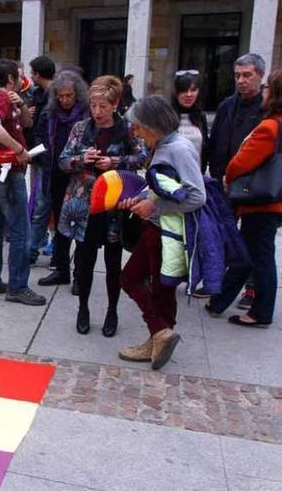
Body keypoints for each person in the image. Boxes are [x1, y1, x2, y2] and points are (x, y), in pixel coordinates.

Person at [118, 96, 206, 369]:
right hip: (157, 228)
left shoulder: (177, 148)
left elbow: (197, 196)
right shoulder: (165, 145)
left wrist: (153, 207)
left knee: (142, 282)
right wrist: (141, 198)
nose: (135, 132)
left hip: (167, 231)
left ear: (153, 127)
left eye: (139, 127)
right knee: (156, 287)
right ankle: (158, 336)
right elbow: (164, 186)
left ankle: (159, 333)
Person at [58, 75, 147, 335]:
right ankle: (83, 308)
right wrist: (81, 159)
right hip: (85, 205)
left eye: (103, 107)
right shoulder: (80, 128)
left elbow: (142, 156)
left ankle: (112, 311)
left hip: (114, 207)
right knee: (84, 261)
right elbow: (63, 161)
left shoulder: (128, 128)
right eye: (93, 106)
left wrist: (115, 162)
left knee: (112, 263)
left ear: (115, 104)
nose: (97, 112)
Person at [208, 70, 282, 327]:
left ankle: (260, 311)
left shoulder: (270, 126)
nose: (264, 92)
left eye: (267, 87)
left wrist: (228, 176)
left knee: (257, 256)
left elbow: (240, 162)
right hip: (271, 201)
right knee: (253, 253)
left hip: (259, 202)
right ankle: (219, 301)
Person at [0, 59, 46, 306]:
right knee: (20, 231)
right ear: (9, 78)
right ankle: (17, 286)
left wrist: (22, 106)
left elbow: (26, 124)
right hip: (7, 172)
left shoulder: (3, 98)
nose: (22, 80)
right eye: (18, 76)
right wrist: (18, 149)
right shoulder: (1, 98)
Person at [206, 53, 267, 309]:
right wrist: (215, 174)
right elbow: (217, 140)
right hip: (224, 184)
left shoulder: (268, 108)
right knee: (223, 235)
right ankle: (216, 281)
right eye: (237, 75)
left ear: (260, 76)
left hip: (255, 188)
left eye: (247, 75)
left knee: (252, 241)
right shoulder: (227, 106)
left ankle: (251, 289)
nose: (241, 81)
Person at [35, 71, 90, 288]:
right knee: (60, 225)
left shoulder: (86, 115)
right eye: (61, 96)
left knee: (80, 227)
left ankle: (79, 275)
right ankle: (61, 269)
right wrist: (44, 153)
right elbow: (38, 136)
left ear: (77, 95)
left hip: (79, 178)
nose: (65, 100)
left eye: (69, 95)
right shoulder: (49, 113)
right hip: (55, 175)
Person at [26, 56, 56, 262]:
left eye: (32, 72)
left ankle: (33, 248)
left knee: (41, 203)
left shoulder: (54, 96)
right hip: (38, 154)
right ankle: (38, 242)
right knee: (38, 202)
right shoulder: (38, 95)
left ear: (38, 73)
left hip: (47, 156)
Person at [171, 70, 209, 171]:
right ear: (176, 92)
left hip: (196, 177)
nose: (189, 94)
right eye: (184, 90)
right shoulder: (166, 116)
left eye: (193, 90)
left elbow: (205, 152)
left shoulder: (200, 117)